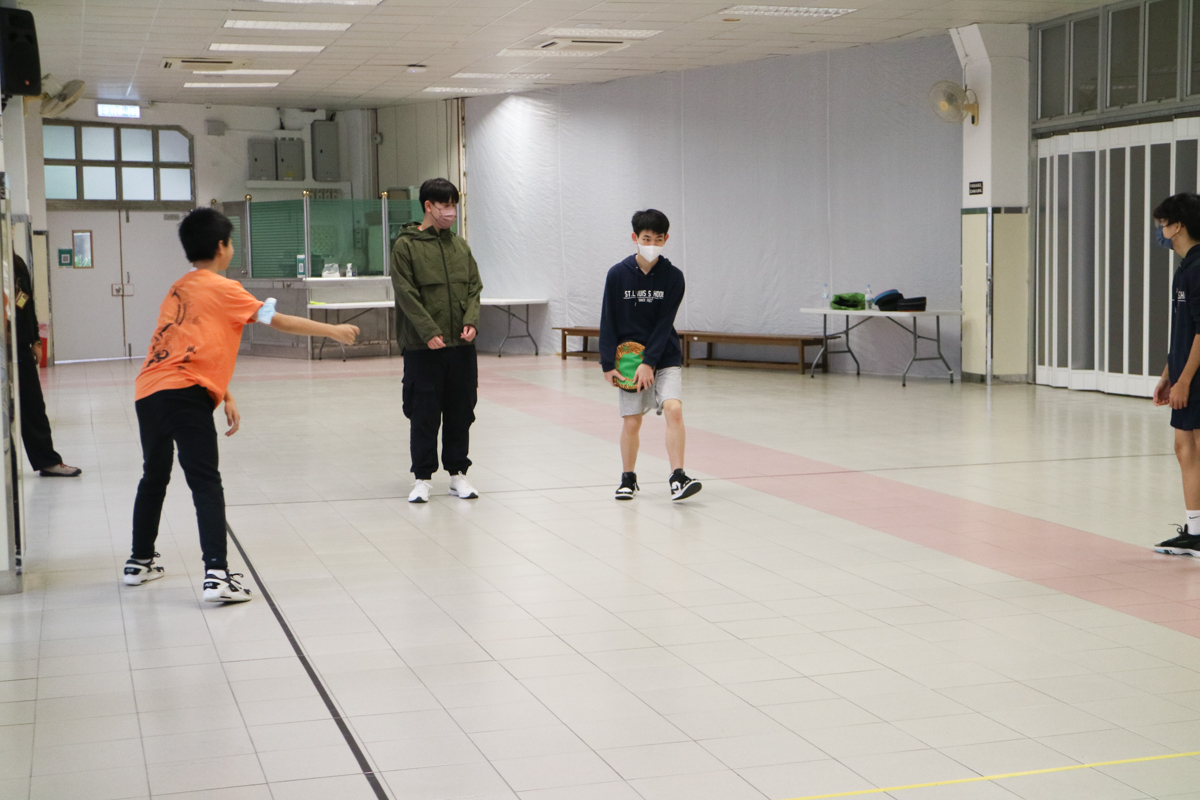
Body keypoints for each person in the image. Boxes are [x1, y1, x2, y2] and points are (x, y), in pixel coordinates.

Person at [123, 207, 359, 602]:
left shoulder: (178, 288)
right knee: (205, 482)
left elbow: (185, 345)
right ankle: (217, 575)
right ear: (222, 247)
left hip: (149, 391)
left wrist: (225, 393)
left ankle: (139, 561)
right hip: (185, 393)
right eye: (231, 242)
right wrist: (332, 330)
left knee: (154, 476)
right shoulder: (225, 288)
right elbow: (277, 321)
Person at [390, 178, 483, 504]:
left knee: (461, 411)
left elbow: (474, 286)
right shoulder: (406, 246)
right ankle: (422, 478)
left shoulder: (460, 246)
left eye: (454, 206)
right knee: (424, 412)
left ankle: (458, 474)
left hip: (461, 346)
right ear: (428, 206)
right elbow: (406, 293)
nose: (451, 212)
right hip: (423, 347)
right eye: (445, 206)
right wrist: (428, 332)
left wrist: (471, 320)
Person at [599, 209, 701, 502]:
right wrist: (607, 363)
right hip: (629, 359)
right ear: (635, 237)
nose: (652, 244)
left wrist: (650, 362)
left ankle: (678, 477)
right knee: (632, 421)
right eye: (646, 238)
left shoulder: (674, 277)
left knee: (674, 409)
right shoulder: (617, 274)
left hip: (664, 355)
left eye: (658, 239)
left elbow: (664, 324)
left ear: (666, 239)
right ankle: (628, 479)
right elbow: (608, 319)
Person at [1153, 192, 1200, 556]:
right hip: (1184, 373)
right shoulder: (1184, 269)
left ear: (1178, 226)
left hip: (1196, 378)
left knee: (1194, 447)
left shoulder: (1199, 269)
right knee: (1184, 448)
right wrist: (1169, 374)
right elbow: (1182, 330)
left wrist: (1184, 380)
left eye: (1162, 225)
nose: (1160, 232)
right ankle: (1194, 529)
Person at [13, 254, 80, 477]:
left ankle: (47, 461)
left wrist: (35, 339)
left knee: (32, 406)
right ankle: (8, 467)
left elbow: (26, 302)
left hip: (20, 346)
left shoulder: (16, 263)